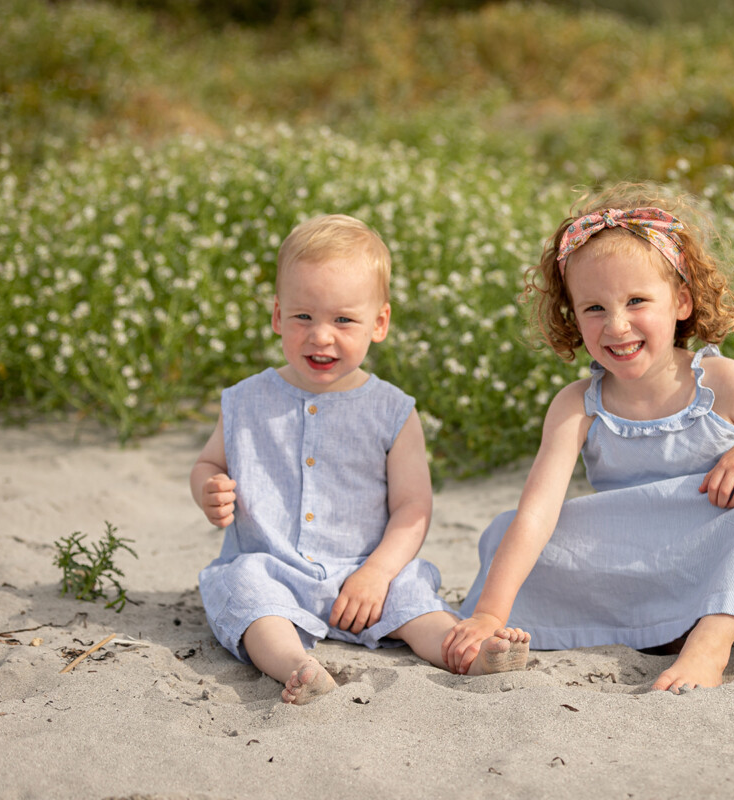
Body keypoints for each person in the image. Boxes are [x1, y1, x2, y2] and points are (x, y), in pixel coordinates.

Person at [443, 185, 734, 692]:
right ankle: (664, 624)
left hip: (716, 548)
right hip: (638, 559)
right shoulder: (576, 404)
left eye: (637, 301)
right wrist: (491, 613)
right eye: (594, 309)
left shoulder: (724, 382)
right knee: (506, 532)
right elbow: (538, 514)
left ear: (683, 301)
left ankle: (710, 641)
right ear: (573, 319)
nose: (617, 325)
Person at [191, 214, 529, 704]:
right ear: (276, 316)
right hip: (275, 567)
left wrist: (377, 572)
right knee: (244, 589)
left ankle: (469, 655)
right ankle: (297, 667)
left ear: (380, 323)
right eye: (302, 316)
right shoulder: (245, 401)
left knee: (415, 599)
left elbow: (413, 507)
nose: (321, 336)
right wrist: (209, 488)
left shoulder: (392, 411)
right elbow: (208, 464)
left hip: (367, 575)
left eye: (343, 320)